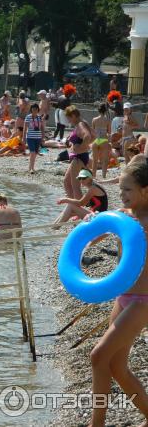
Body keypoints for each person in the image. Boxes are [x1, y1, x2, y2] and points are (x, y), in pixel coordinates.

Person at [87, 160, 148, 427]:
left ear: (146, 191)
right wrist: (91, 221)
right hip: (124, 298)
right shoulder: (125, 216)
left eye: (127, 190)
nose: (122, 195)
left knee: (98, 356)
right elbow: (94, 236)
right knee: (115, 366)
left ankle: (96, 424)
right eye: (121, 190)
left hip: (144, 301)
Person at [64, 106, 95, 199]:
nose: (68, 120)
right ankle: (73, 206)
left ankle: (78, 208)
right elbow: (94, 136)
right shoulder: (83, 123)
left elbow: (88, 136)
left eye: (68, 118)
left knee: (75, 186)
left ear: (73, 115)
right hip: (80, 157)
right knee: (67, 182)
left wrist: (81, 148)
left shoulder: (81, 125)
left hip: (79, 158)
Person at [91, 104, 112, 179]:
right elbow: (109, 132)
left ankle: (93, 175)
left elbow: (93, 132)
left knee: (95, 160)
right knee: (104, 160)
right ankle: (103, 176)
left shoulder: (94, 119)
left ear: (98, 110)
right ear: (106, 111)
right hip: (103, 139)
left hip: (96, 140)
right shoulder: (108, 120)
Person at [23, 103, 45, 174]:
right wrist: (24, 138)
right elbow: (25, 128)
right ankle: (31, 168)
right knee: (32, 152)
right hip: (30, 137)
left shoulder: (39, 117)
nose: (34, 110)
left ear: (38, 110)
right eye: (33, 109)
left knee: (35, 153)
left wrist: (42, 137)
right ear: (31, 110)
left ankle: (31, 167)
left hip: (38, 137)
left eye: (36, 109)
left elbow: (42, 128)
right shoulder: (28, 117)